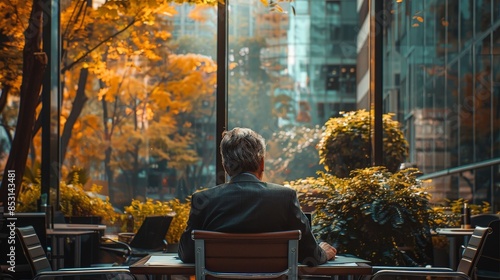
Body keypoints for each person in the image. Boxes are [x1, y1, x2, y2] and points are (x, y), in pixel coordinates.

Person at [178, 127, 336, 266]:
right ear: (262, 163)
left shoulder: (203, 200)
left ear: (226, 166)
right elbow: (310, 255)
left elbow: (187, 254)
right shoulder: (285, 197)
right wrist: (322, 252)